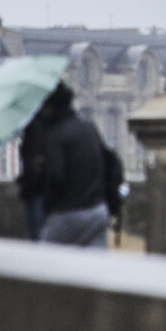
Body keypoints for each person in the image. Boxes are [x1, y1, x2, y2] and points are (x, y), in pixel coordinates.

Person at [17, 83, 112, 248]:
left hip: (68, 212)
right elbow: (111, 163)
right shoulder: (88, 127)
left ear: (49, 106)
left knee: (43, 264)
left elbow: (56, 176)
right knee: (96, 267)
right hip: (97, 210)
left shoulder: (55, 135)